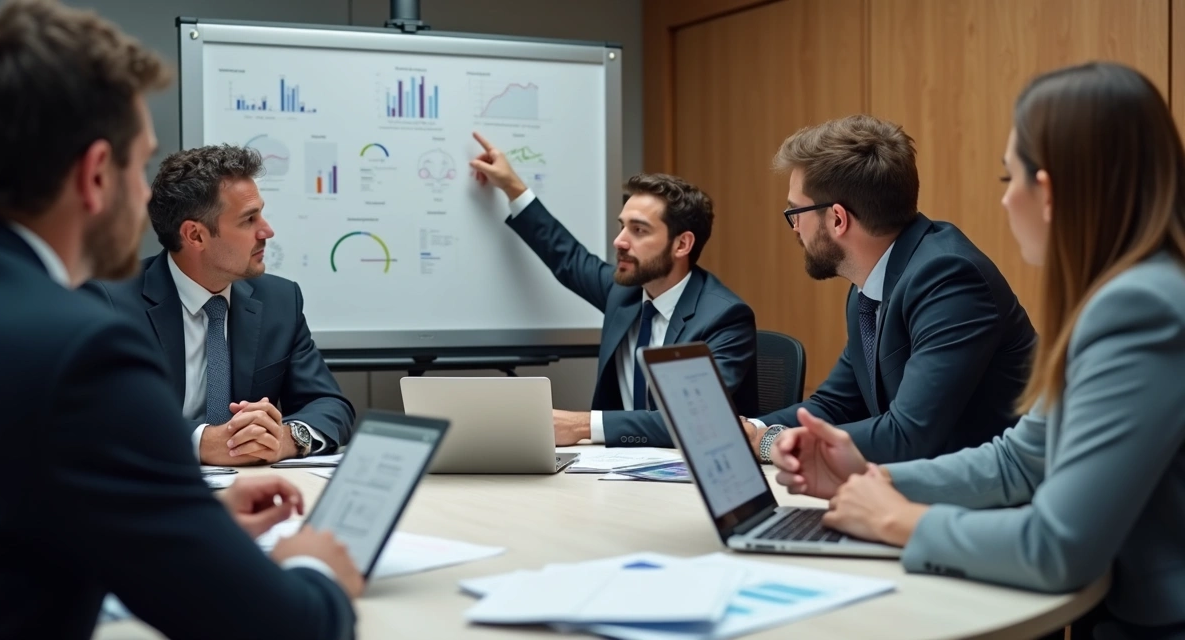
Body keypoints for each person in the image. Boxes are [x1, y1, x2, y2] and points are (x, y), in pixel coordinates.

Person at [0, 1, 361, 638]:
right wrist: (315, 568)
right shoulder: (76, 345)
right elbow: (283, 627)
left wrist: (186, 523)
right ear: (97, 175)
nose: (143, 195)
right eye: (138, 165)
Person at [772, 62, 1185, 638]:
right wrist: (866, 475)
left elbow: (1056, 547)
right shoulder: (1126, 293)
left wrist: (899, 521)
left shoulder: (1140, 308)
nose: (1006, 200)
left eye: (1008, 178)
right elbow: (1019, 460)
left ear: (1048, 192)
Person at [742, 115, 1037, 464]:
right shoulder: (870, 286)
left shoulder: (949, 279)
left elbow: (908, 435)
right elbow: (836, 404)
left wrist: (772, 442)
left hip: (999, 491)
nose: (795, 228)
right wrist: (747, 430)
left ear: (837, 219)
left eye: (796, 212)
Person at [470, 132, 758, 448]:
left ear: (681, 244)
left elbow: (697, 419)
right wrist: (512, 186)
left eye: (638, 230)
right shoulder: (625, 293)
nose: (619, 241)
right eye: (622, 226)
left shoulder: (724, 318)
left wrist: (582, 425)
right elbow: (566, 257)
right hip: (615, 466)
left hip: (688, 469)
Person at [84, 145, 355, 465]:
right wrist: (201, 442)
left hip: (257, 483)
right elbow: (98, 416)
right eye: (248, 219)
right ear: (195, 235)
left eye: (261, 213)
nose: (267, 231)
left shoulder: (280, 300)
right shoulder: (110, 304)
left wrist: (287, 438)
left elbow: (330, 405)